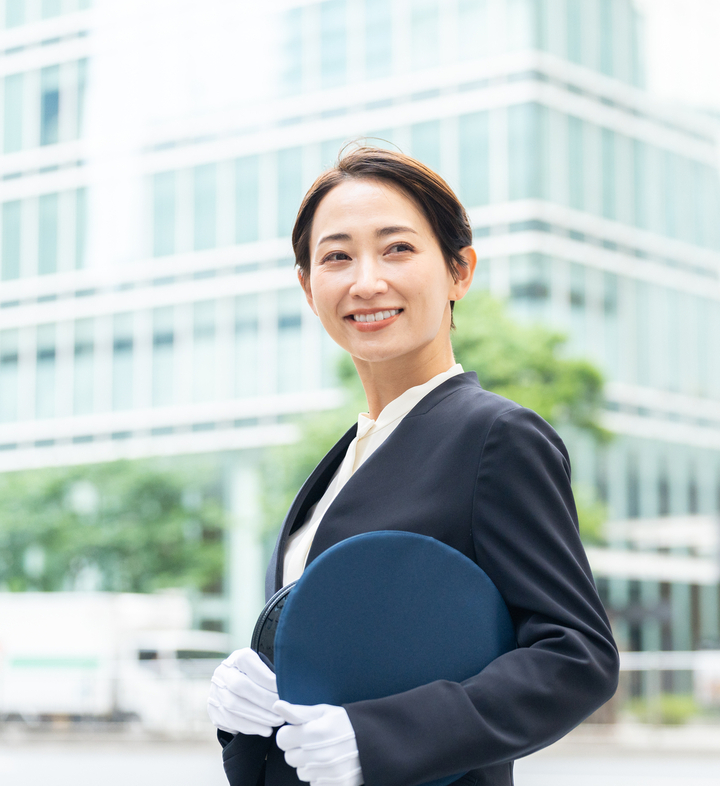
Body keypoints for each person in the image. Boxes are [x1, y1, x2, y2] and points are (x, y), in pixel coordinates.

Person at [207, 146, 619, 786]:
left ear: (459, 272)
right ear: (308, 287)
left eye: (397, 248)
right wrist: (253, 698)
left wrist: (376, 739)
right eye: (337, 256)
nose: (366, 281)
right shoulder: (343, 460)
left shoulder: (495, 437)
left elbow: (575, 657)